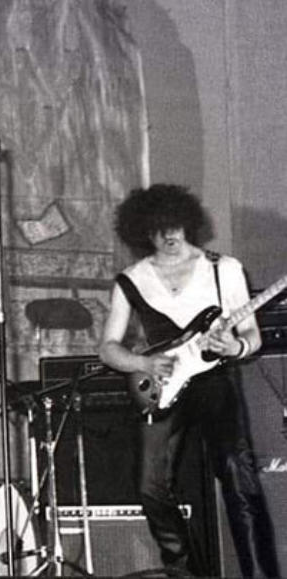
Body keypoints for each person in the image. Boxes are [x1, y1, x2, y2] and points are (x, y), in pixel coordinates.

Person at [99, 184, 278, 577]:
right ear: (144, 232)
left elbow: (252, 335)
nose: (169, 235)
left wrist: (236, 347)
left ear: (188, 222)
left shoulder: (223, 269)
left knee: (238, 474)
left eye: (175, 225)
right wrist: (141, 362)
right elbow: (108, 348)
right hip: (162, 386)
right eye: (158, 229)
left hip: (214, 381)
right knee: (149, 487)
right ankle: (186, 572)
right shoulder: (130, 280)